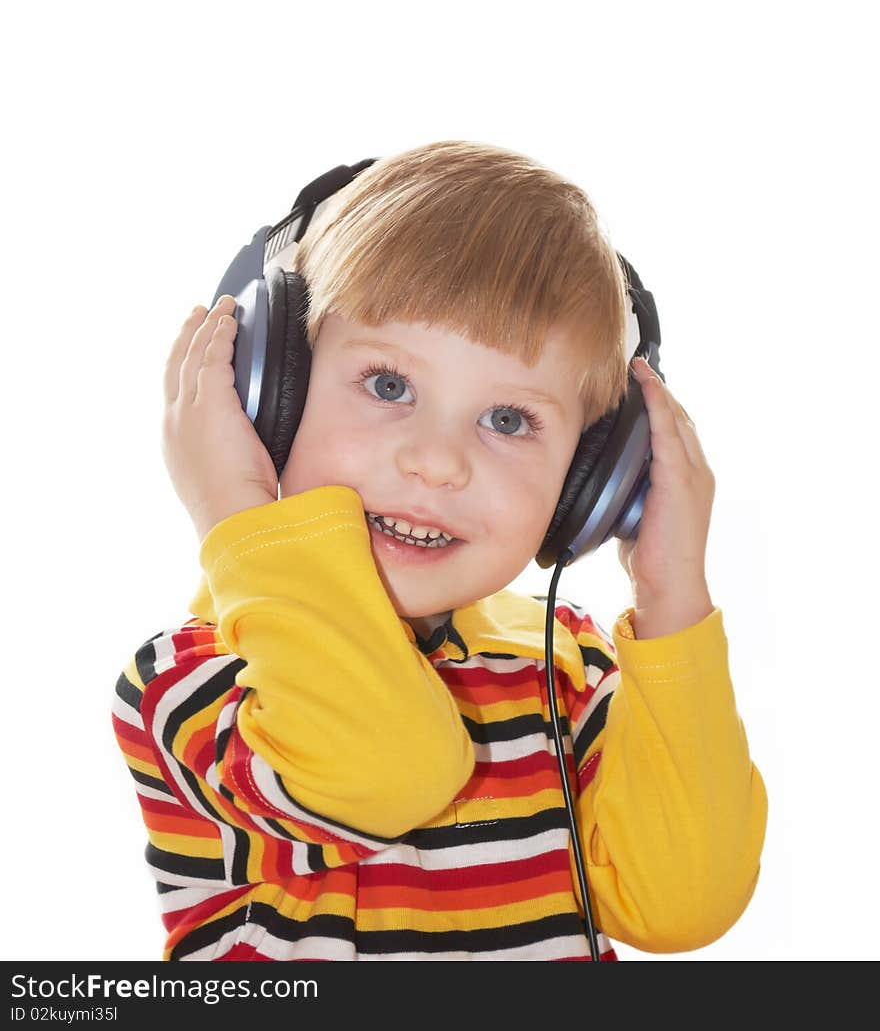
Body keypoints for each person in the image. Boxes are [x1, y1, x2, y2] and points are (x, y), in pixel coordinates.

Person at [112, 140, 768, 961]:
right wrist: (235, 509)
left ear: (593, 479)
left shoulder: (567, 669)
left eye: (508, 419)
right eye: (389, 385)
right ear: (267, 392)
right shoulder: (196, 677)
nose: (438, 461)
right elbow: (383, 767)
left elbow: (683, 901)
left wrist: (673, 597)